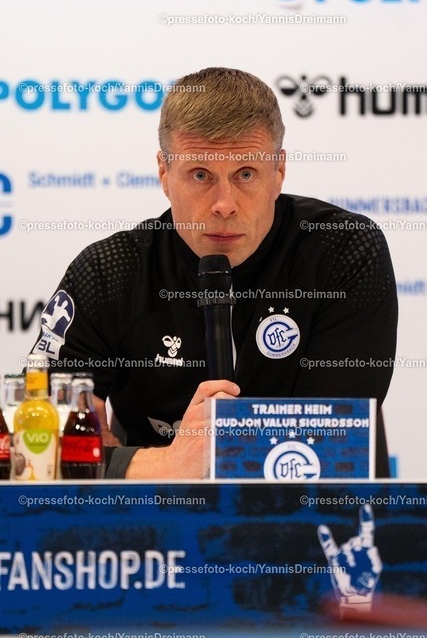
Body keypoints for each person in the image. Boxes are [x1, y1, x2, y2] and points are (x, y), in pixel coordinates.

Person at [31, 67, 398, 479]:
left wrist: (209, 454)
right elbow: (41, 441)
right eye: (200, 175)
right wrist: (166, 464)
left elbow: (336, 437)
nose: (224, 204)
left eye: (246, 174)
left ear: (278, 172)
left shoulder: (341, 249)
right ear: (164, 173)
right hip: (157, 514)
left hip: (310, 511)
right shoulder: (109, 271)